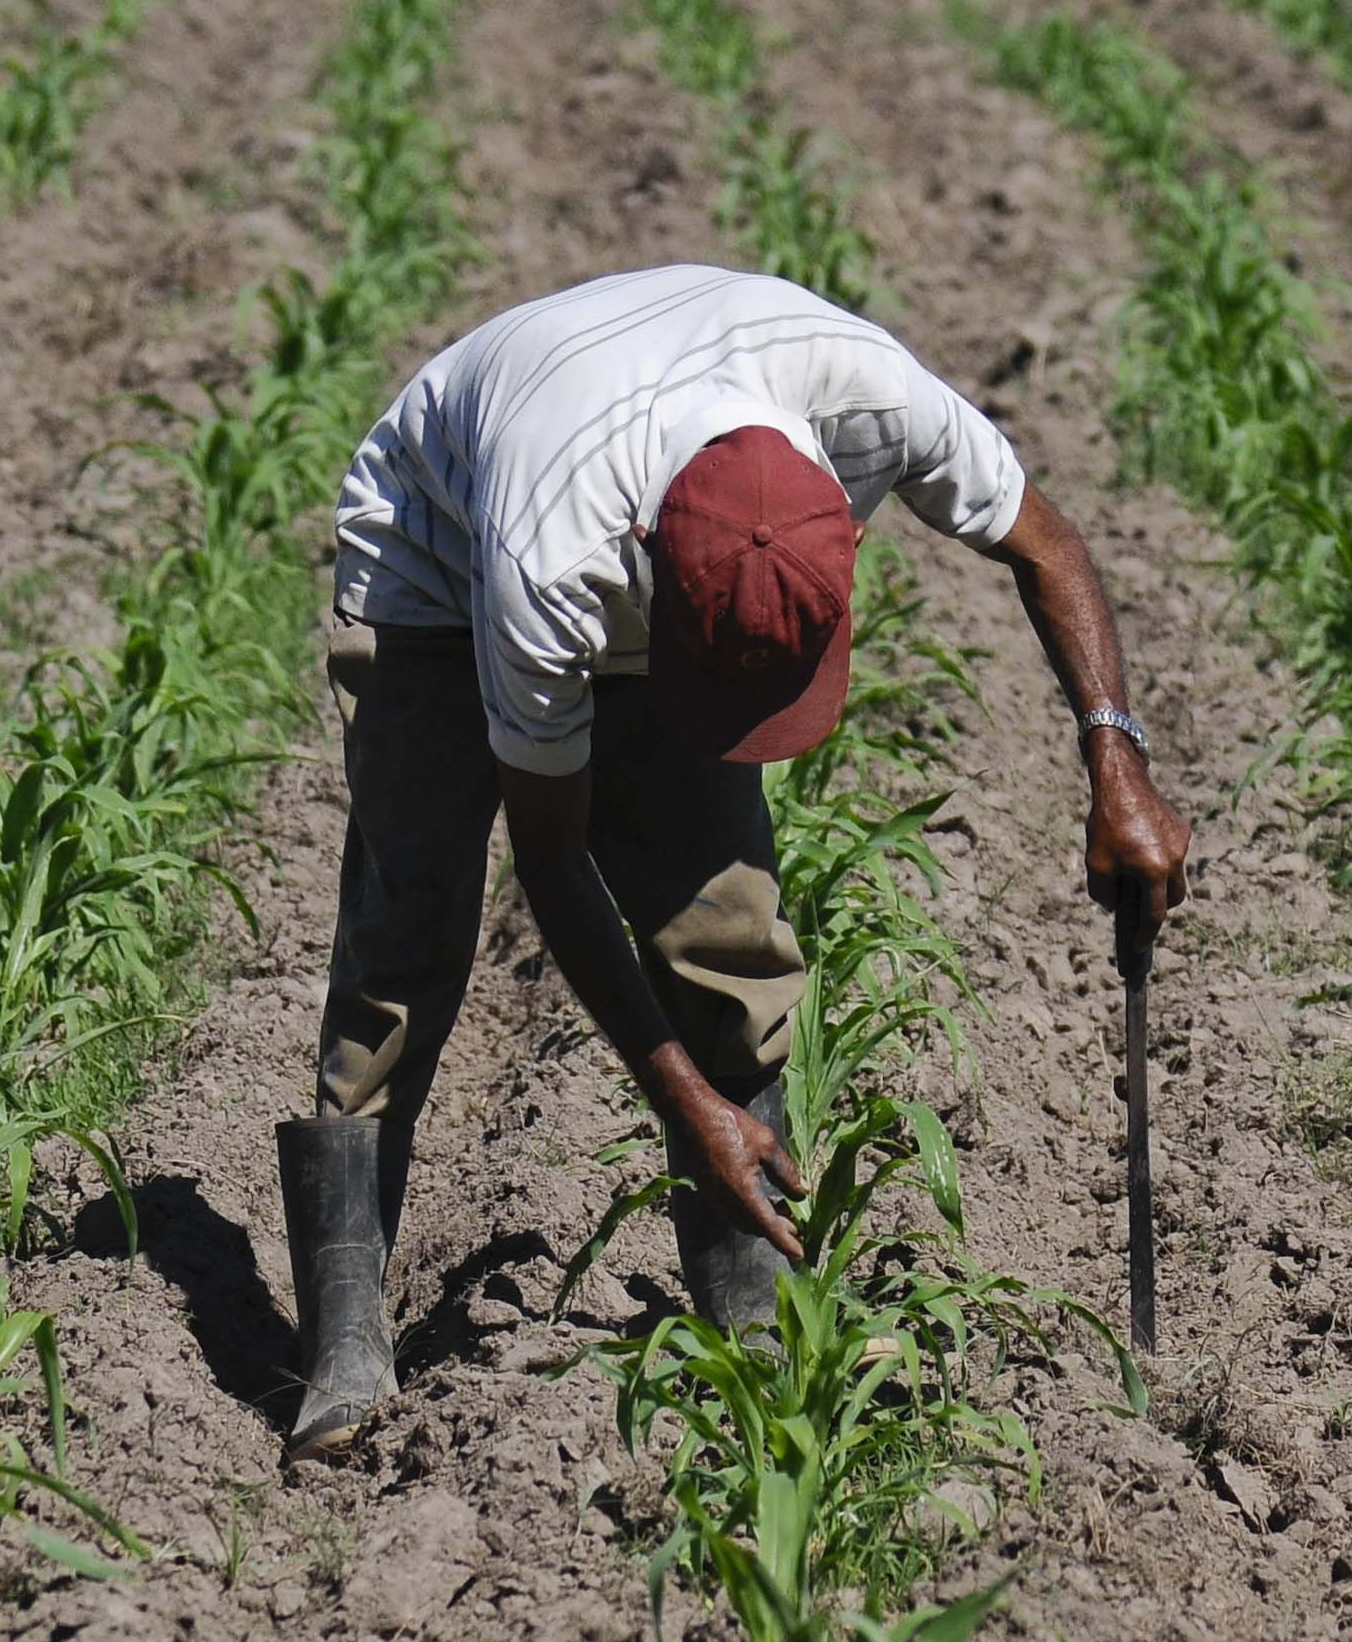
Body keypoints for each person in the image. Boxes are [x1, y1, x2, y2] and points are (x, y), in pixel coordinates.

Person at [278, 262, 1192, 1462]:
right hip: (432, 562)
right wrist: (681, 1101)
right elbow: (553, 867)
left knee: (729, 939)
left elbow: (1047, 544)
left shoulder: (873, 403)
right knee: (414, 921)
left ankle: (748, 1315)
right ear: (654, 575)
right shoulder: (553, 558)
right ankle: (344, 1338)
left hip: (638, 512)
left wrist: (1114, 759)